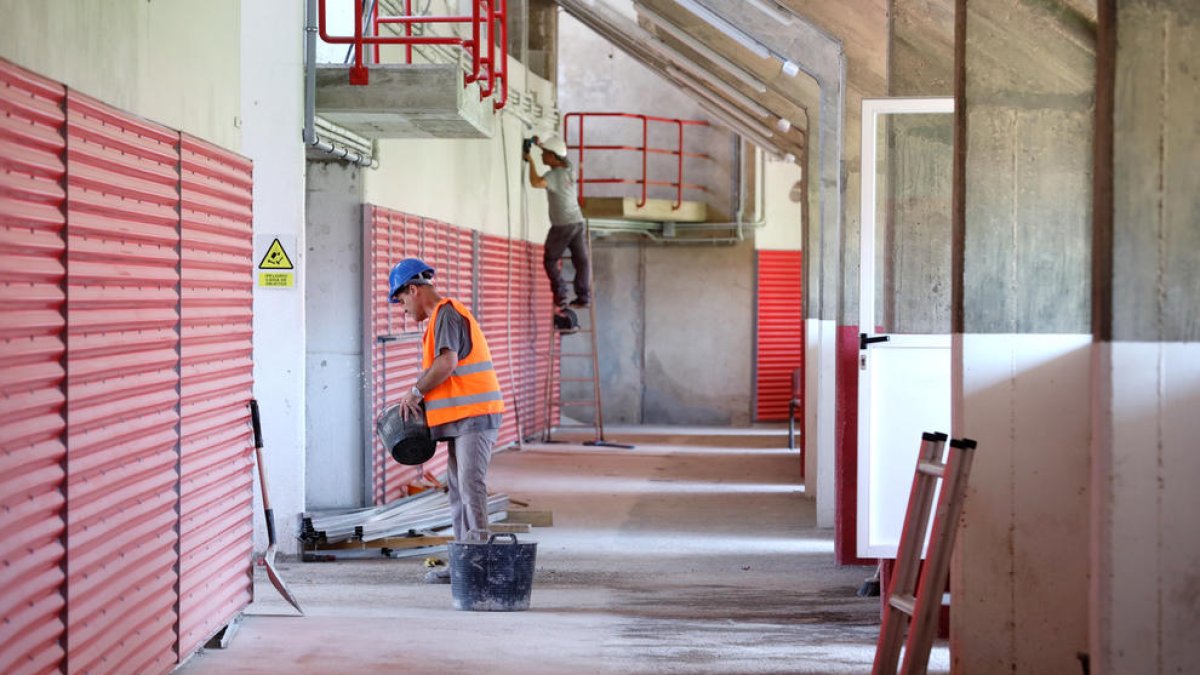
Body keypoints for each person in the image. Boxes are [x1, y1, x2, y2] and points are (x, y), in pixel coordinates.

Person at [388, 257, 504, 584]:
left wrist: (415, 392)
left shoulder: (447, 313)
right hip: (460, 420)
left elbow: (447, 362)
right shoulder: (439, 318)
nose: (404, 309)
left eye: (401, 300)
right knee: (457, 491)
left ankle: (480, 566)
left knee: (470, 486)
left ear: (413, 289)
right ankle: (462, 565)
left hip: (475, 417)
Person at [524, 134, 591, 314]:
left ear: (553, 157)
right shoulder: (569, 168)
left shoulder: (554, 175)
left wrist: (530, 160)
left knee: (550, 260)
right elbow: (560, 155)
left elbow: (536, 182)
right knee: (581, 261)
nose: (542, 156)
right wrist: (539, 145)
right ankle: (583, 297)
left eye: (545, 154)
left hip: (562, 226)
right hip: (577, 222)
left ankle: (561, 296)